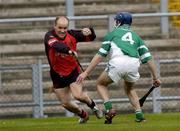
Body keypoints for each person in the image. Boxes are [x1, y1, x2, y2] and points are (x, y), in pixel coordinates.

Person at [76, 12, 161, 124]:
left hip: (118, 62)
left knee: (101, 84)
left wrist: (86, 72)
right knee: (129, 88)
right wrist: (156, 77)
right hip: (133, 64)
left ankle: (109, 108)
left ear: (119, 22)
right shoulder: (137, 37)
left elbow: (99, 55)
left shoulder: (112, 34)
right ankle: (139, 113)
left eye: (116, 20)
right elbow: (149, 58)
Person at [43, 16, 103, 124]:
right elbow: (57, 46)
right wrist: (69, 51)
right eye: (60, 27)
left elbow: (92, 37)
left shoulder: (72, 34)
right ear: (54, 26)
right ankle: (83, 115)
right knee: (65, 103)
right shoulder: (49, 36)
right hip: (57, 74)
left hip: (73, 72)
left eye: (65, 28)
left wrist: (90, 31)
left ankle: (94, 106)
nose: (62, 30)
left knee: (78, 95)